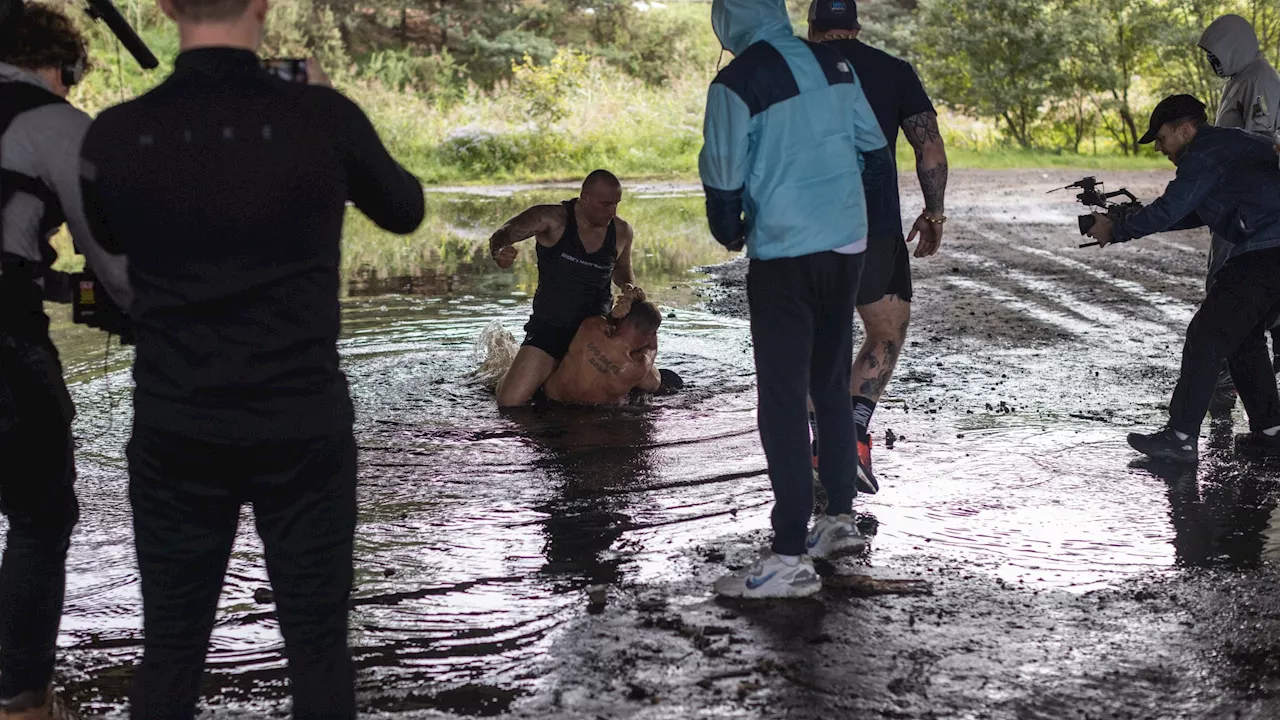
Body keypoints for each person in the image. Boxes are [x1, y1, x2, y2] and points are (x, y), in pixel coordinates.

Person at [78, 0, 425, 713]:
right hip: (301, 422)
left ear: (166, 6)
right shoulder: (321, 117)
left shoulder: (116, 134)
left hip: (176, 426)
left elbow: (108, 241)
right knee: (318, 646)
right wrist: (325, 100)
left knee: (172, 651)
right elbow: (405, 208)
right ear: (263, 4)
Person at [699, 0, 891, 598]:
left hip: (785, 254)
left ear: (730, 18)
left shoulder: (737, 81)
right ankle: (835, 521)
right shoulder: (833, 64)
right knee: (828, 384)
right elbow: (873, 149)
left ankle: (786, 556)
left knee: (782, 400)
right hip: (846, 247)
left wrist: (729, 227)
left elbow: (723, 179)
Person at [0, 4, 130, 717]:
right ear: (59, 67)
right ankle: (20, 700)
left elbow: (28, 268)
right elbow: (113, 263)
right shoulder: (52, 121)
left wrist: (72, 294)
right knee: (40, 513)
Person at [1085, 95, 1280, 463]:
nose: (1159, 148)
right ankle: (1271, 433)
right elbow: (1191, 211)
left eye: (1161, 138)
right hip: (1270, 249)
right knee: (1242, 336)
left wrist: (1118, 230)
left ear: (1185, 129)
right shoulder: (1225, 146)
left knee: (1207, 334)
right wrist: (1132, 219)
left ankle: (1179, 438)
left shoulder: (1203, 152)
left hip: (1266, 251)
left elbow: (1173, 207)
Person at [806, 0, 948, 493]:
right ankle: (853, 435)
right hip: (874, 227)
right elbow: (929, 147)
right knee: (884, 332)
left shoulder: (787, 67)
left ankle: (822, 444)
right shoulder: (893, 70)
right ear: (856, 27)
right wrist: (933, 213)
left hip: (801, 229)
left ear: (812, 26)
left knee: (811, 337)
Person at [489, 170, 643, 407]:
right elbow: (503, 233)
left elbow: (622, 268)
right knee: (510, 401)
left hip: (599, 331)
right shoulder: (551, 218)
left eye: (616, 204)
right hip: (550, 328)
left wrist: (628, 287)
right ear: (585, 197)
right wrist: (499, 251)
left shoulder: (622, 231)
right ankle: (508, 372)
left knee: (647, 385)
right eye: (605, 204)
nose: (612, 212)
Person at [1198, 14, 1280, 393]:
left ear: (1235, 46)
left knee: (1234, 280)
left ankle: (1232, 362)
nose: (1213, 63)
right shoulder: (1240, 80)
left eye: (1217, 54)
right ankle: (1232, 361)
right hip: (1233, 191)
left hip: (1248, 198)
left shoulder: (1260, 76)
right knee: (1223, 272)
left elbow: (1258, 139)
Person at [543, 299, 663, 406]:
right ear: (650, 335)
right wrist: (652, 334)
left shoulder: (591, 326)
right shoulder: (637, 368)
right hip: (589, 416)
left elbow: (609, 319)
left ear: (622, 318)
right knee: (652, 382)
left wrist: (619, 310)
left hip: (551, 400)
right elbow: (651, 350)